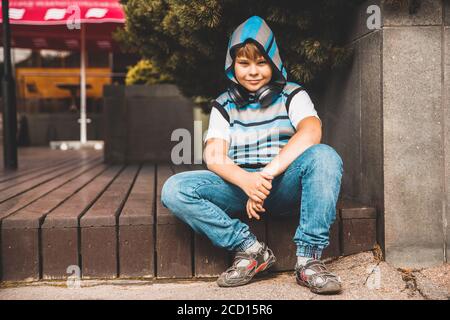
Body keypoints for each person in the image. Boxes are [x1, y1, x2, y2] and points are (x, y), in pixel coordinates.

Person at [161, 16, 344, 294]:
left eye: (261, 62)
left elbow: (311, 132)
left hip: (283, 185)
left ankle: (309, 261)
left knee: (325, 156)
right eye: (244, 63)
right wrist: (247, 182)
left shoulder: (293, 94)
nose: (253, 71)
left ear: (274, 62)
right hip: (239, 188)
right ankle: (250, 249)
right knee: (175, 189)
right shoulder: (223, 104)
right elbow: (214, 155)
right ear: (232, 65)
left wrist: (265, 175)